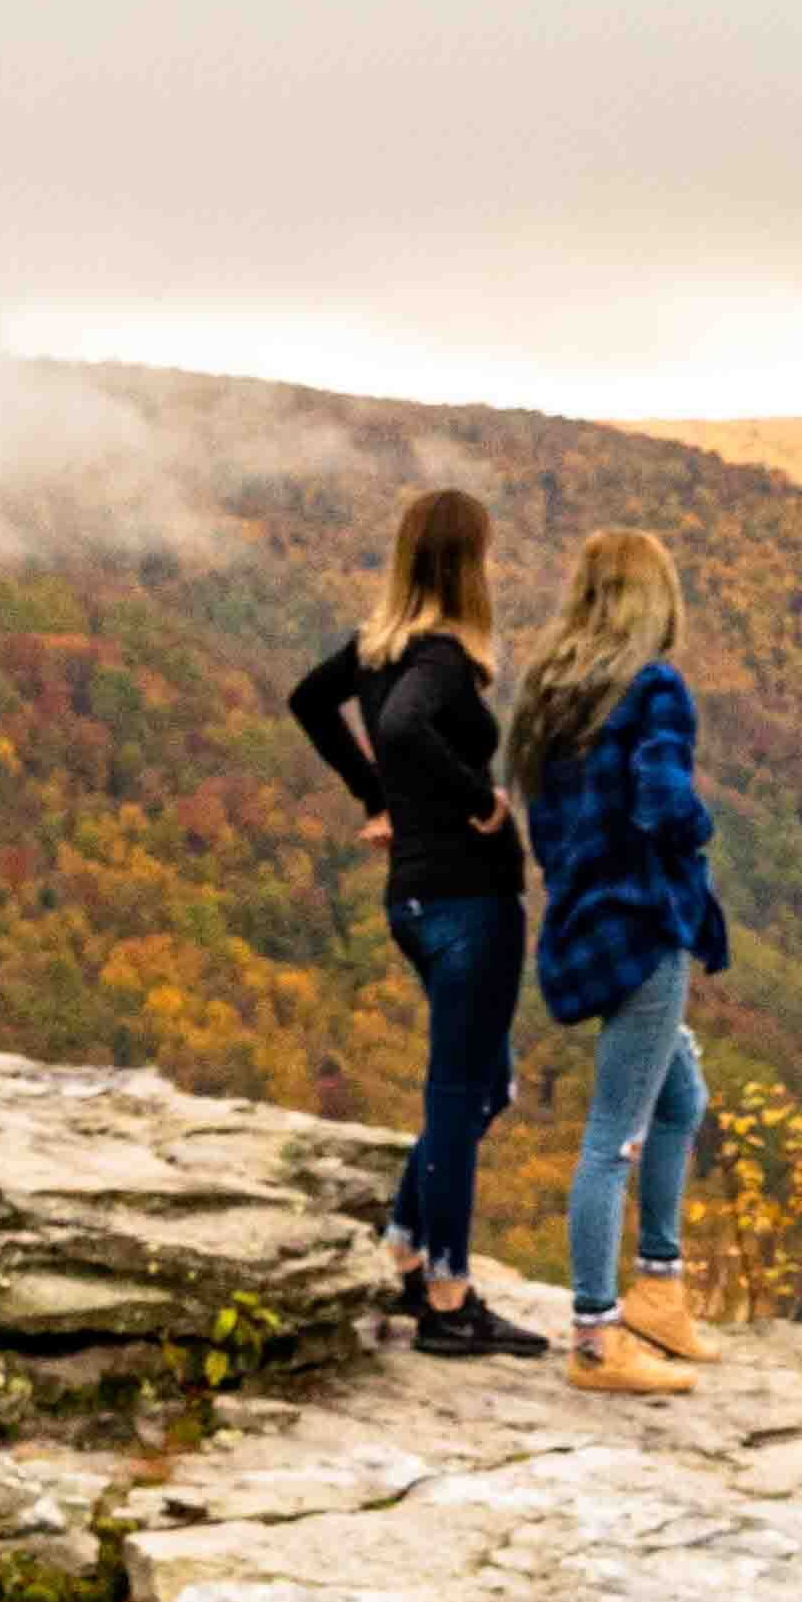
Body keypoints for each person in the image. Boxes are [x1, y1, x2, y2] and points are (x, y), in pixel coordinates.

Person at [287, 488, 540, 1360]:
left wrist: (376, 797)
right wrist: (482, 800)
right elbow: (401, 724)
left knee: (484, 1084)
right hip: (469, 902)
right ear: (469, 565)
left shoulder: (374, 647)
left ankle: (403, 1247)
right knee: (463, 1089)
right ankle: (448, 1296)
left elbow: (309, 703)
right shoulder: (437, 656)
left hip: (414, 899)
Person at [502, 526, 726, 1400]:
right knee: (612, 1138)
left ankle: (659, 1289)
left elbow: (547, 828)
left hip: (584, 923)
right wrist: (699, 834)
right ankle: (597, 1337)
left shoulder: (555, 692)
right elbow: (666, 799)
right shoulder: (655, 688)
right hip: (644, 925)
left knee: (682, 1095)